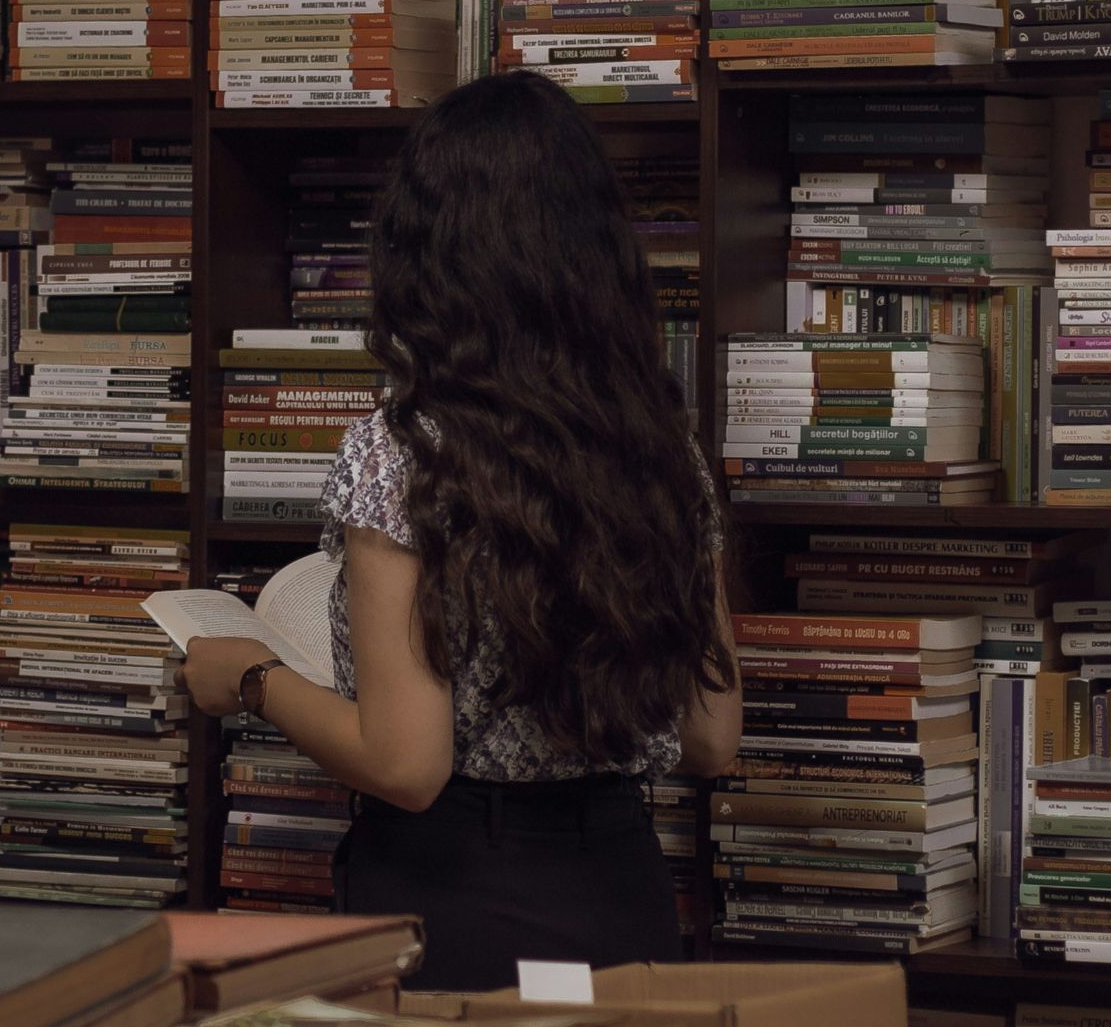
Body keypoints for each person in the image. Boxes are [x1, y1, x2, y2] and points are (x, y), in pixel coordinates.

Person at [178, 72, 742, 991]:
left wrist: (248, 678)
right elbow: (714, 738)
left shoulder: (401, 452)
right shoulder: (660, 447)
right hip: (625, 907)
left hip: (453, 912)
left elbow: (406, 765)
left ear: (425, 252)